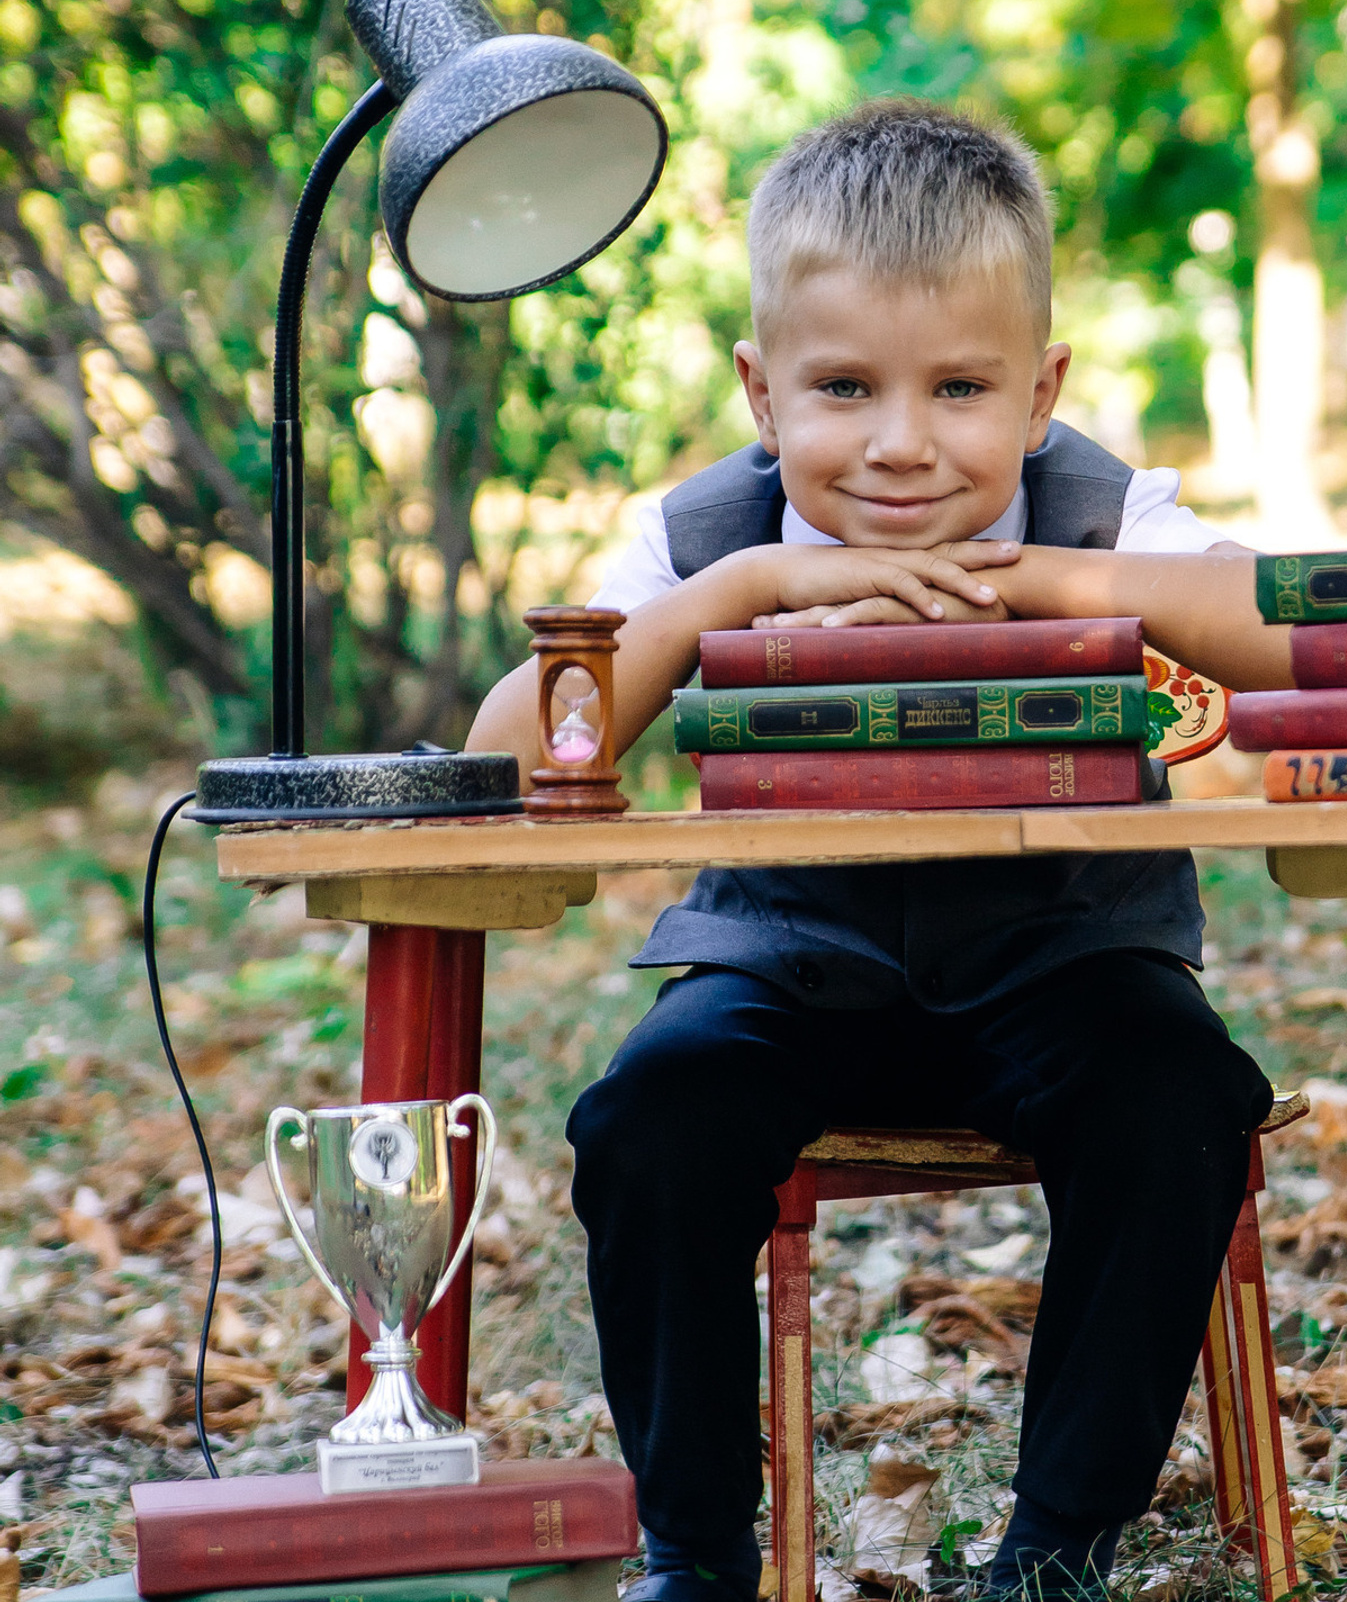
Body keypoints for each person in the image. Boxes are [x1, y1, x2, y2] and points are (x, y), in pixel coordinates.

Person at [466, 100, 1299, 1602]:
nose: (904, 446)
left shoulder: (1108, 508)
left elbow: (1299, 634)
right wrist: (748, 586)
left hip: (1069, 968)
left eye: (961, 388)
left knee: (1181, 1101)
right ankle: (700, 1557)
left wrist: (1057, 575)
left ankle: (1054, 1551)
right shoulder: (707, 532)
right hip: (788, 970)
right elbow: (502, 753)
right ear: (761, 391)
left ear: (1041, 391)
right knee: (648, 1121)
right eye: (844, 387)